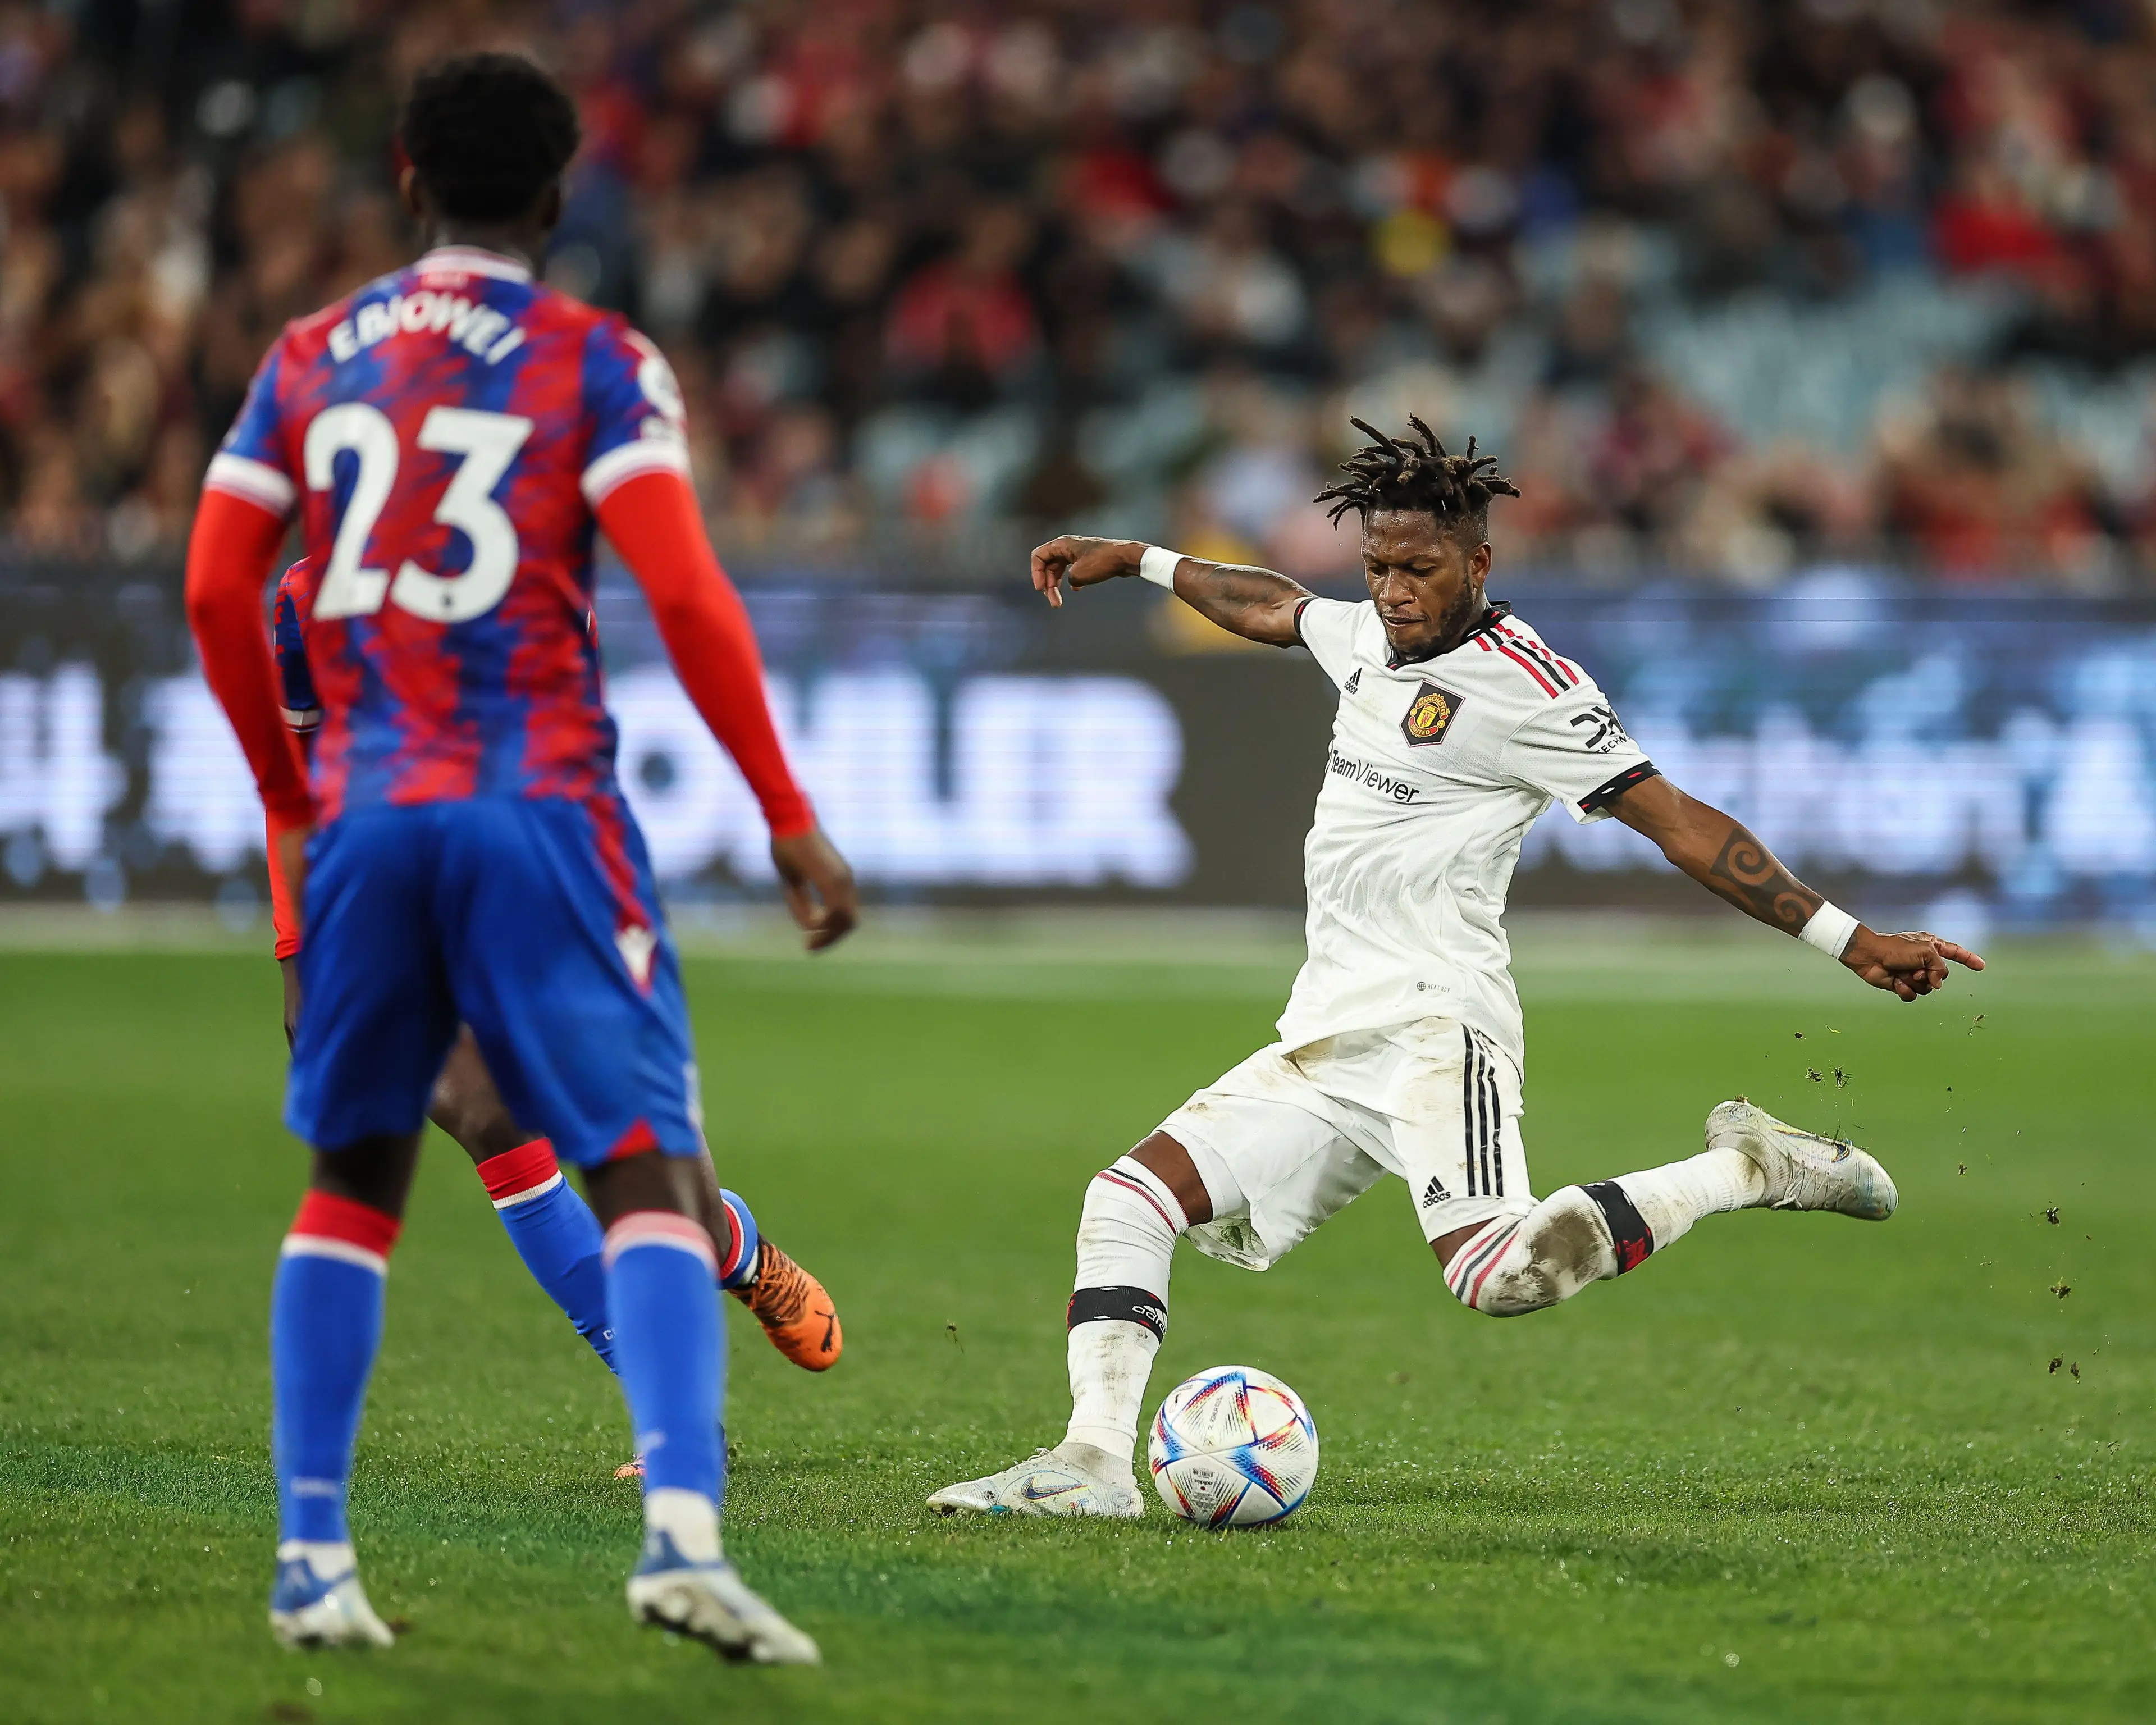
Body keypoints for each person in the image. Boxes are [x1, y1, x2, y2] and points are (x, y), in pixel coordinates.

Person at [929, 417, 1984, 1520]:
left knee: (1500, 1279)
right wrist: (1139, 559)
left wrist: (1850, 938)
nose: (1392, 590)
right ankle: (1094, 1464)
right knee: (1129, 1199)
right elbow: (1275, 605)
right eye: (1378, 567)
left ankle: (1753, 1168)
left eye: (1419, 569)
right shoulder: (1370, 639)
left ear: (1479, 565)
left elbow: (1679, 825)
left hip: (1442, 1028)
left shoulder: (1533, 688)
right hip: (1329, 1037)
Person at [185, 53, 856, 1662]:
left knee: (357, 1180)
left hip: (362, 815)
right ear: (562, 197)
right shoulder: (590, 360)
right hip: (533, 801)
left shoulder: (307, 357)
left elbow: (218, 591)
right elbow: (687, 597)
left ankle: (308, 1560)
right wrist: (781, 806)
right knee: (626, 1150)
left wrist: (297, 802)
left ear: (404, 174)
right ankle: (683, 1534)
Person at [268, 556, 843, 1400]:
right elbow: (300, 783)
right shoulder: (304, 597)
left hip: (544, 865)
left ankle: (730, 1243)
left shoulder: (526, 568)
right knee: (483, 1115)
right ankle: (666, 1408)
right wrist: (300, 954)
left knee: (634, 1154)